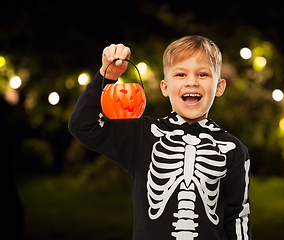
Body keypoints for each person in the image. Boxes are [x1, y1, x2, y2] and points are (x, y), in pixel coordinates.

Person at [69, 35, 251, 240]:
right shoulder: (143, 135)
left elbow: (237, 218)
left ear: (219, 87)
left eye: (203, 74)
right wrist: (106, 76)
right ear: (165, 87)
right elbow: (83, 125)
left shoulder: (232, 149)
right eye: (180, 74)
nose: (192, 82)